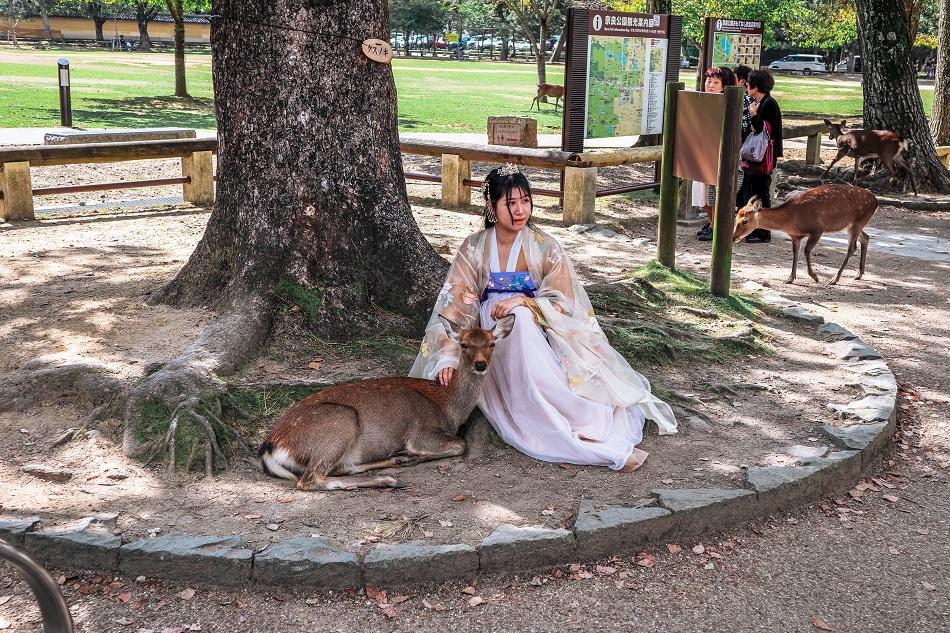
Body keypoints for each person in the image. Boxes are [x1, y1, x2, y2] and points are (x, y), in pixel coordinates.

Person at [409, 166, 677, 472]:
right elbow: (456, 303)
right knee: (512, 320)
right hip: (489, 336)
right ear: (491, 205)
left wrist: (524, 302)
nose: (520, 210)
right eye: (511, 203)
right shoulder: (473, 247)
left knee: (519, 318)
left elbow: (563, 299)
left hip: (533, 331)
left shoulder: (545, 246)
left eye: (525, 200)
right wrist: (446, 356)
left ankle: (563, 412)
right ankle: (534, 413)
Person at [736, 68, 783, 243]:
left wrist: (753, 114)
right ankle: (755, 228)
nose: (747, 88)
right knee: (752, 192)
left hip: (764, 156)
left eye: (748, 85)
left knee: (762, 193)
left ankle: (764, 231)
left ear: (755, 87)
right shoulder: (762, 101)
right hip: (757, 155)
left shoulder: (768, 104)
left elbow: (761, 129)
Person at [695, 66, 738, 242]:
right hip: (701, 152)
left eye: (715, 82)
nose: (710, 85)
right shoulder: (701, 100)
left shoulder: (728, 103)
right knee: (701, 194)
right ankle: (711, 222)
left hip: (718, 155)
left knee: (714, 193)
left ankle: (716, 226)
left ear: (724, 85)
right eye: (708, 81)